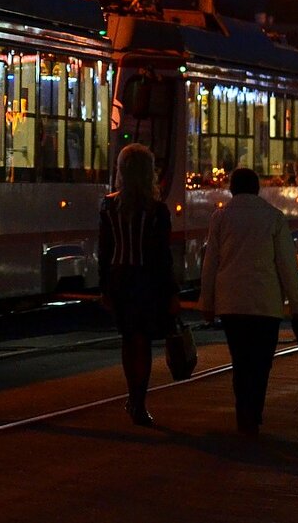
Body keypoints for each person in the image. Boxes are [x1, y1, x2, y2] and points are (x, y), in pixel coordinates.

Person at [200, 167, 298, 436]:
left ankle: (243, 414)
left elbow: (211, 263)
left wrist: (207, 304)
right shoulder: (274, 218)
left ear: (232, 189)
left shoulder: (221, 218)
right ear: (258, 189)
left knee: (241, 361)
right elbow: (287, 267)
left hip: (232, 305)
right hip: (266, 305)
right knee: (261, 363)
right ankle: (254, 412)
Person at [98, 143, 179, 426]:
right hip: (147, 280)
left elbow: (105, 250)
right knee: (142, 341)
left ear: (121, 171)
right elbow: (162, 256)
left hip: (120, 279)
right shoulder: (157, 211)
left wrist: (104, 288)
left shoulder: (109, 205)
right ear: (148, 173)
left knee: (128, 338)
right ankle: (138, 401)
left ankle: (133, 396)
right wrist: (171, 292)